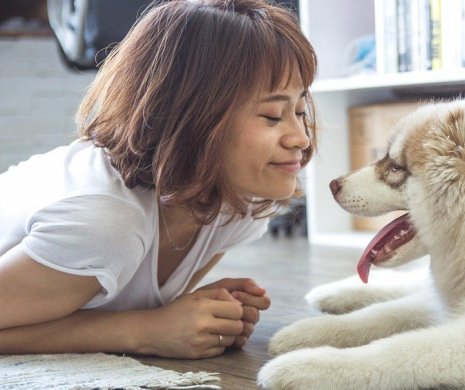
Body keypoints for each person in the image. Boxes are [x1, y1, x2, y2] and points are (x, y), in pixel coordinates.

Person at [0, 0, 317, 359]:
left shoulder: (237, 204)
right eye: (272, 115)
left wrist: (201, 314)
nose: (301, 138)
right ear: (190, 118)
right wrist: (143, 331)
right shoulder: (105, 222)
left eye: (300, 110)